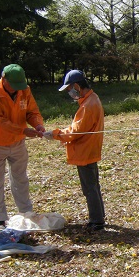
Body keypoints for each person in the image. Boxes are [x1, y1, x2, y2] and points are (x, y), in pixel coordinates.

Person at [0, 64, 45, 229]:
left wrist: (38, 125)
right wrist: (23, 130)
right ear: (3, 79)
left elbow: (32, 112)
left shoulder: (25, 90)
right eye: (13, 85)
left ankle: (26, 212)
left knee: (20, 178)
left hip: (17, 142)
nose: (17, 89)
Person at [44, 70, 105, 231]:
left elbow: (76, 131)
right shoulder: (91, 99)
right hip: (88, 149)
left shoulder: (88, 105)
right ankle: (98, 218)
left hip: (85, 151)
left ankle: (96, 221)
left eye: (70, 89)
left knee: (89, 188)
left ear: (77, 86)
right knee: (93, 186)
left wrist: (55, 134)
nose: (70, 93)